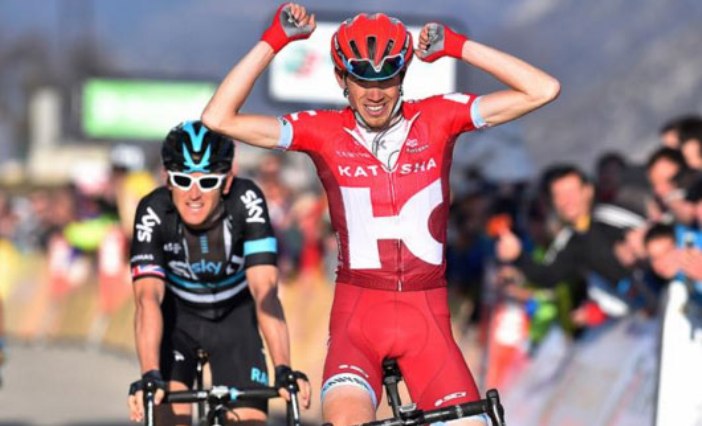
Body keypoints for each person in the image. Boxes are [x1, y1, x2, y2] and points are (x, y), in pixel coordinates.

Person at [201, 4, 559, 425]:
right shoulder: (323, 131)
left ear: (402, 77)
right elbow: (217, 117)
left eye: (387, 79)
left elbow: (543, 89)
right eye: (361, 80)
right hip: (359, 323)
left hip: (429, 324)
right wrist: (275, 41)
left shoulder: (439, 118)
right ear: (341, 79)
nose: (375, 93)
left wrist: (459, 47)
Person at [126, 121, 310, 425]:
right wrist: (150, 375)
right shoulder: (153, 210)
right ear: (167, 180)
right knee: (168, 414)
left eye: (208, 181)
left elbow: (265, 291)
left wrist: (283, 369)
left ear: (227, 182)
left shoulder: (246, 200)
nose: (194, 194)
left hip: (234, 321)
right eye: (183, 180)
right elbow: (147, 299)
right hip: (178, 325)